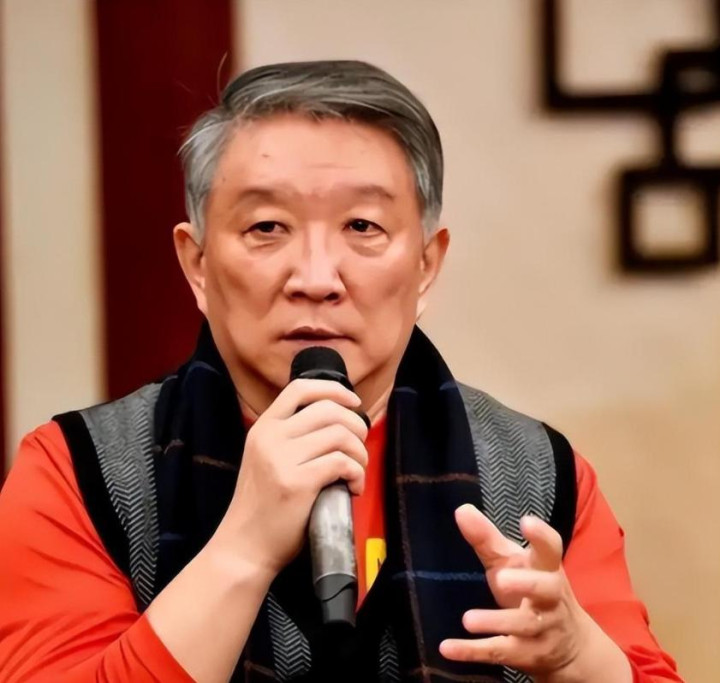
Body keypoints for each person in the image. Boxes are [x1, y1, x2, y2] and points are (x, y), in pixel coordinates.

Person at [0, 60, 683, 683]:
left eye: (362, 227)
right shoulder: (78, 472)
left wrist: (578, 659)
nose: (317, 278)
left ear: (426, 266)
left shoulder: (539, 475)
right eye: (267, 227)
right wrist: (243, 548)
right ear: (197, 265)